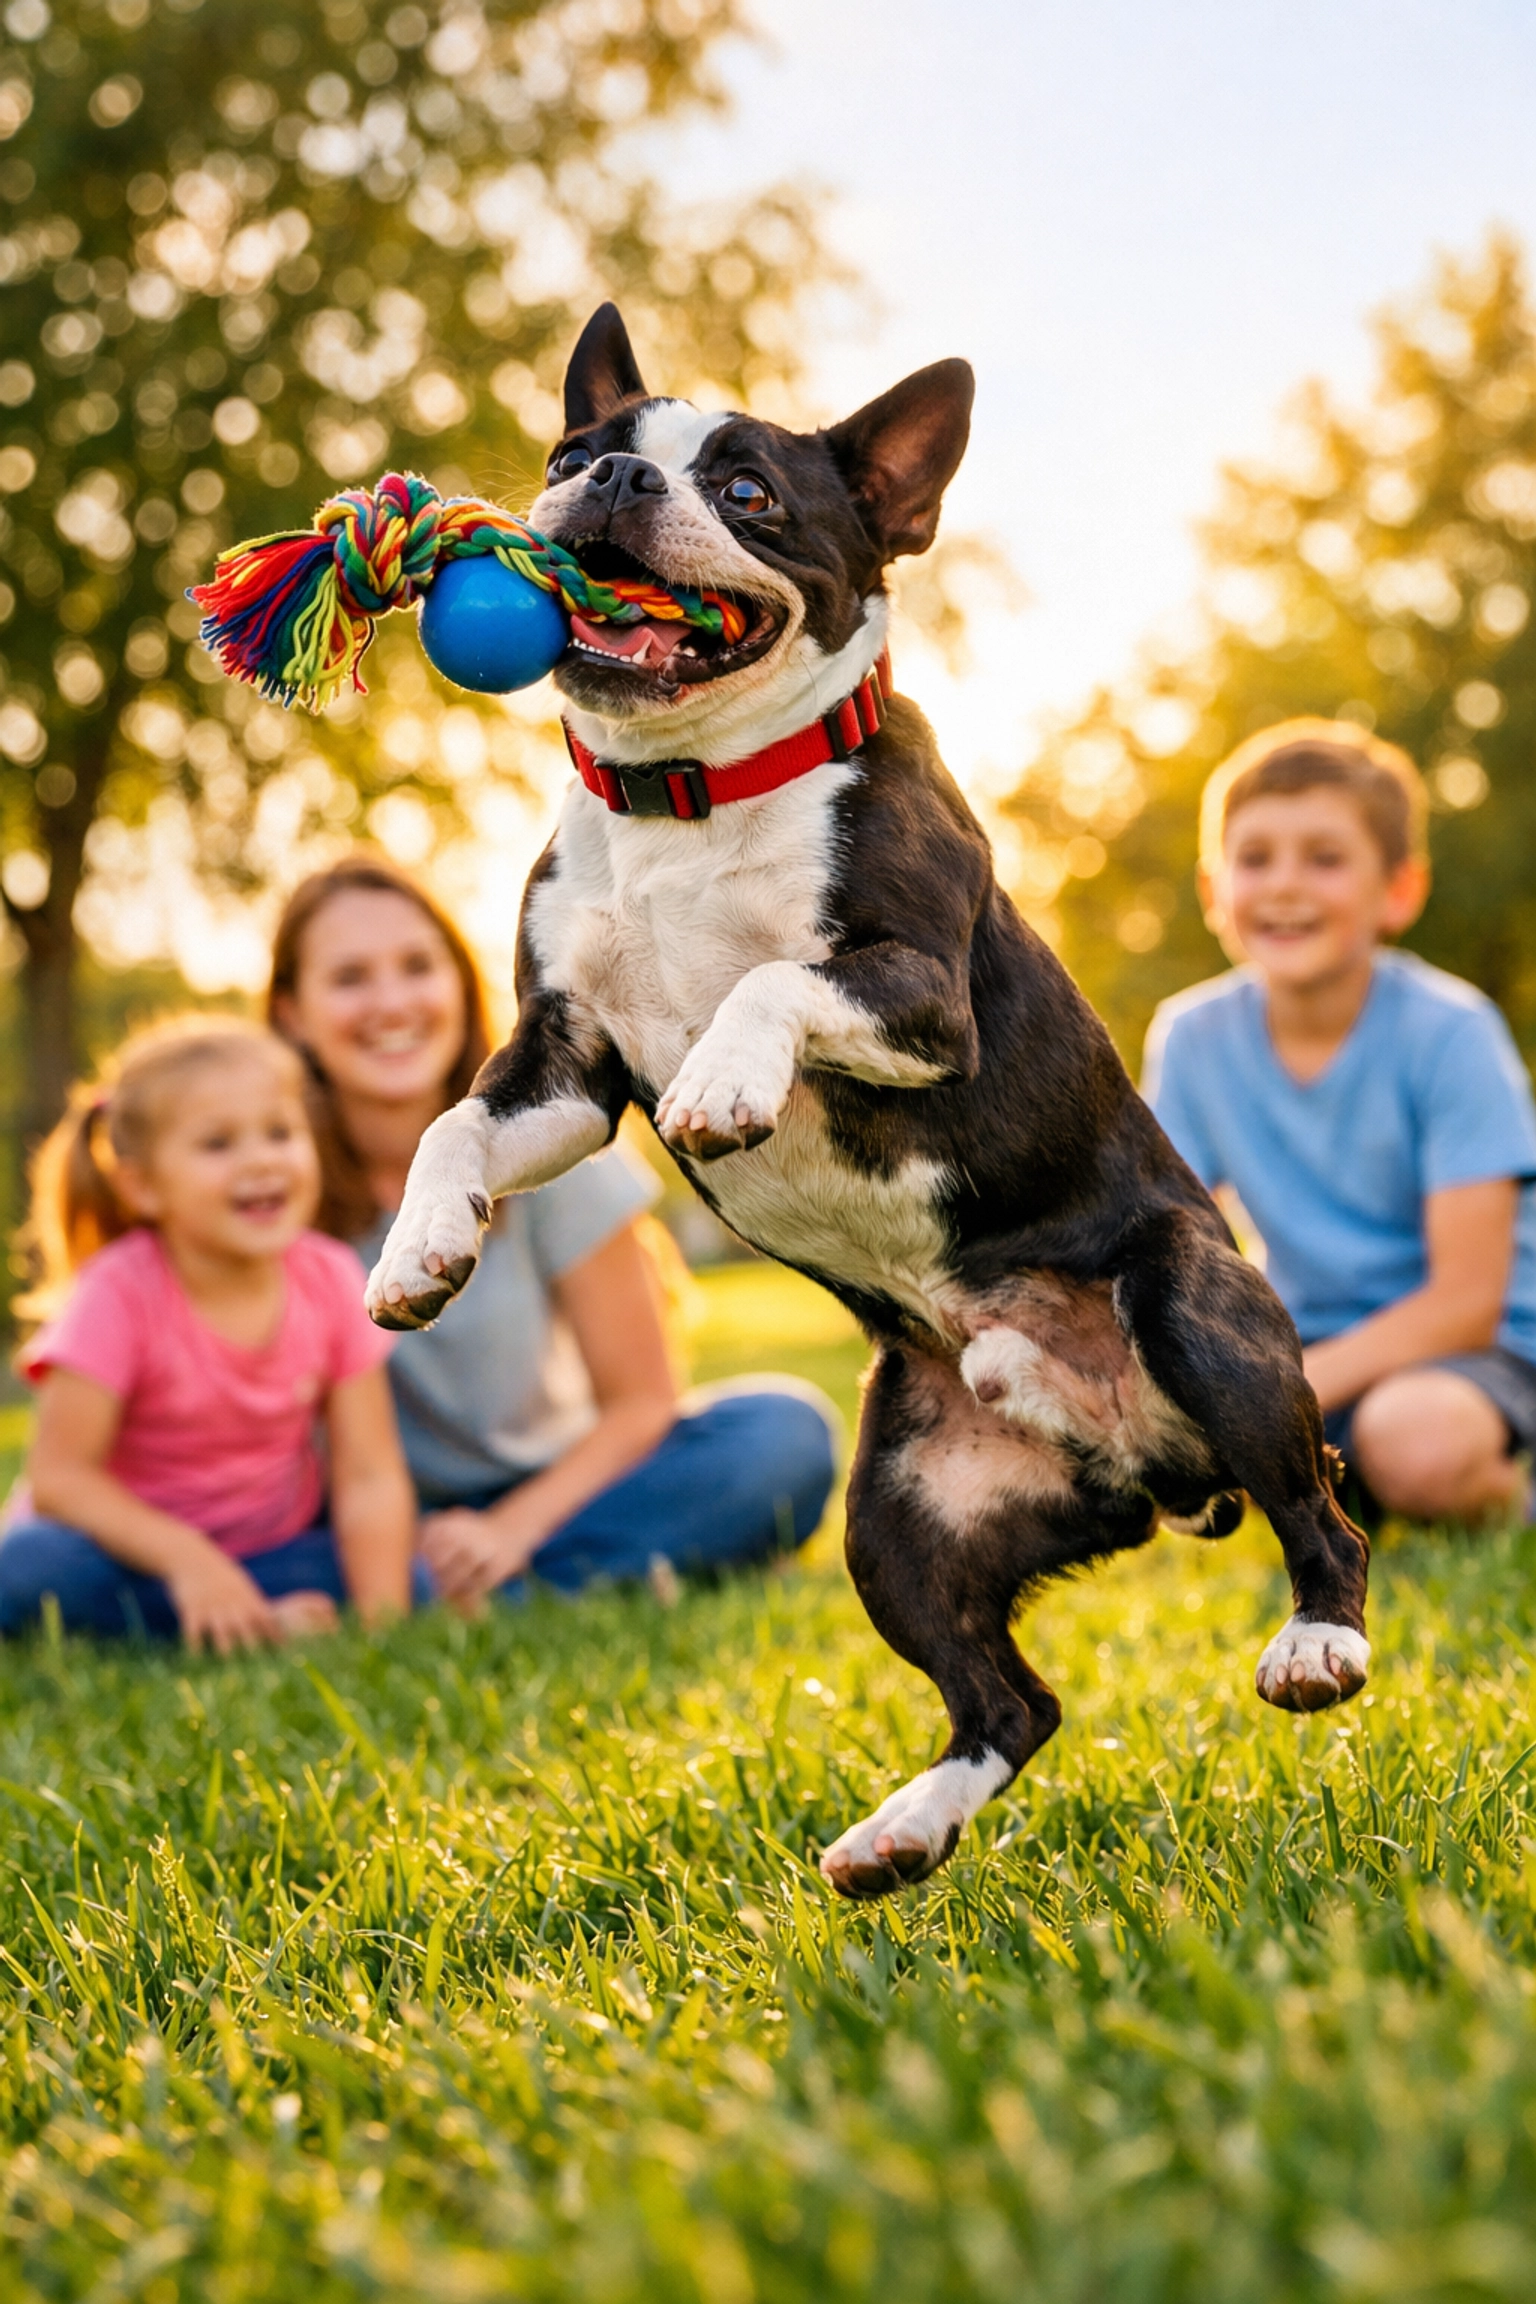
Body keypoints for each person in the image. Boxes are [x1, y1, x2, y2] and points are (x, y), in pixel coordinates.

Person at [267, 855, 839, 1604]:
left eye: (417, 967)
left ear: (459, 981)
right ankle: (578, 1576)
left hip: (565, 1492)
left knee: (781, 1437)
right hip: (367, 1520)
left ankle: (491, 1582)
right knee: (64, 1564)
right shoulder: (266, 1181)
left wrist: (508, 1531)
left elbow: (641, 1405)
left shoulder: (555, 1137)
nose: (392, 1002)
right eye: (349, 979)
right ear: (291, 1013)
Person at [1143, 718, 1536, 1527]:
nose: (1285, 884)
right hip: (1309, 1350)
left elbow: (1467, 1299)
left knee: (1413, 1444)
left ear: (1398, 890)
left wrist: (1279, 1394)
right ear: (1215, 890)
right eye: (1255, 860)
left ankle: (1505, 1494)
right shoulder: (1191, 1036)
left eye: (1324, 859)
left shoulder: (1452, 1032)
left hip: (1473, 1354)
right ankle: (1346, 1480)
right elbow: (1159, 1236)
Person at [0, 1017, 416, 1646]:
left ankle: (239, 1618)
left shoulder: (331, 1278)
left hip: (271, 1552)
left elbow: (369, 1475)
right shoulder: (116, 1293)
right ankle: (243, 1622)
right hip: (128, 1556)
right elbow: (60, 1480)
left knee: (411, 1570)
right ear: (142, 1187)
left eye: (280, 1132)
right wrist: (190, 1562)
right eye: (218, 1144)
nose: (261, 1161)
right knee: (29, 1569)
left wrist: (385, 1627)